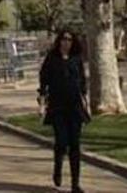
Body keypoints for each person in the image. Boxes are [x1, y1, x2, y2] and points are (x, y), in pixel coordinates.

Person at [38, 29, 89, 193]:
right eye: (64, 39)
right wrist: (42, 99)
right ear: (59, 41)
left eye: (69, 39)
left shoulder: (76, 59)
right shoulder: (52, 59)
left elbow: (81, 81)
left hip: (74, 107)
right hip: (57, 106)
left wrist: (84, 100)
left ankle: (75, 184)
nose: (66, 42)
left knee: (75, 144)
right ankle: (57, 168)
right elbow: (43, 79)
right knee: (61, 141)